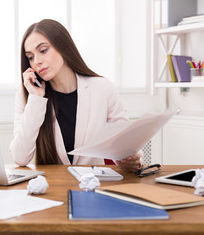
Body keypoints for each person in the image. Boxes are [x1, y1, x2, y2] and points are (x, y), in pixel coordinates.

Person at [9, 19, 141, 172]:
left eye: (43, 50)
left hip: (95, 185)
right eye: (30, 57)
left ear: (62, 47)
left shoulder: (102, 88)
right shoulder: (28, 96)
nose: (36, 61)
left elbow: (126, 144)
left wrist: (130, 159)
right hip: (52, 188)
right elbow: (20, 157)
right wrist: (36, 99)